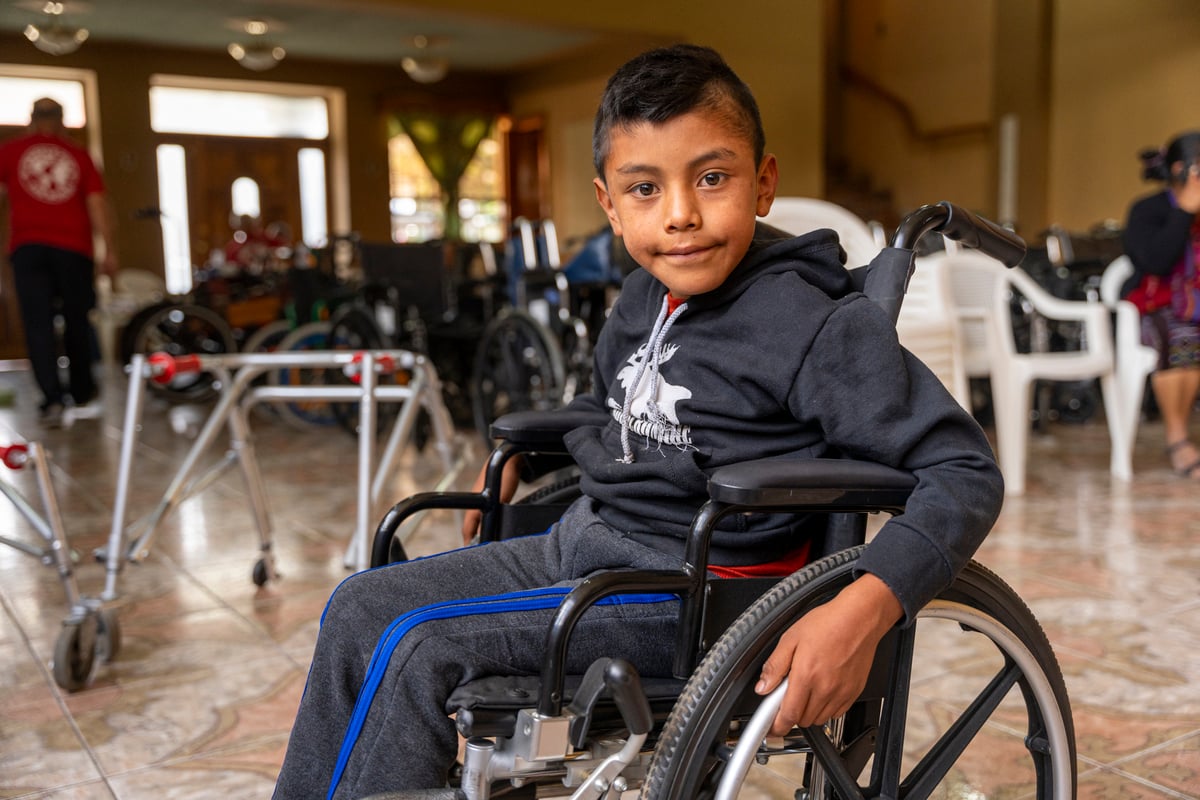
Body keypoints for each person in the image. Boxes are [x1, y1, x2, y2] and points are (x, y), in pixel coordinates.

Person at [274, 44, 1004, 798]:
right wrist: (541, 443)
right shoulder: (640, 298)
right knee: (358, 604)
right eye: (646, 189)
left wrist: (862, 610)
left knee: (418, 649)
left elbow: (965, 472)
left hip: (694, 592)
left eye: (712, 177)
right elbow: (617, 407)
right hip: (584, 545)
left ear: (763, 184)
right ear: (610, 205)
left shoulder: (813, 325)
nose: (681, 214)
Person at [0, 98, 117, 428]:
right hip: (72, 250)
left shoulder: (11, 151)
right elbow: (97, 205)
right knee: (76, 321)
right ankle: (80, 394)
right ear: (62, 120)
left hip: (30, 249)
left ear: (32, 118)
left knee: (39, 324)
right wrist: (109, 249)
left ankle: (52, 399)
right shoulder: (78, 155)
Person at [1122, 131, 1200, 479]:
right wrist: (1184, 211)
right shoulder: (1147, 209)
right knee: (1183, 334)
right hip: (1154, 305)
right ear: (1181, 169)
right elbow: (1155, 261)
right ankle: (1177, 437)